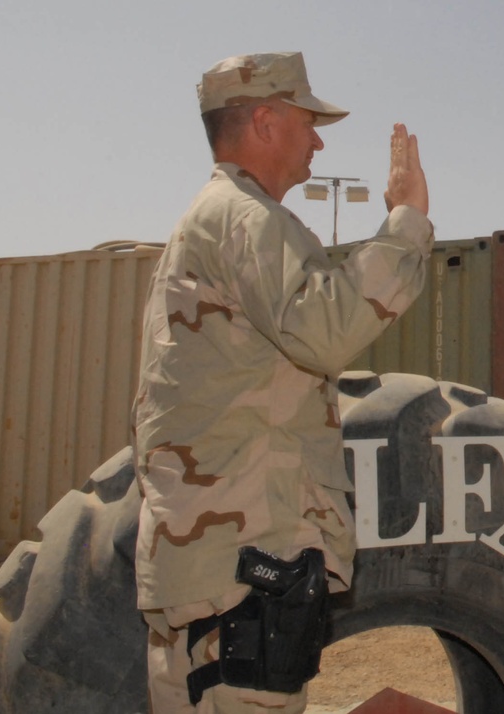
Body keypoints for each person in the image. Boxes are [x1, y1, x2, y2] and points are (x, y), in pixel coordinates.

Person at [133, 51, 433, 713]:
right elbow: (325, 330)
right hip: (242, 569)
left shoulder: (214, 220)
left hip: (210, 565)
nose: (319, 139)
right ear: (264, 122)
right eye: (307, 121)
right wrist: (407, 223)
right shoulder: (245, 219)